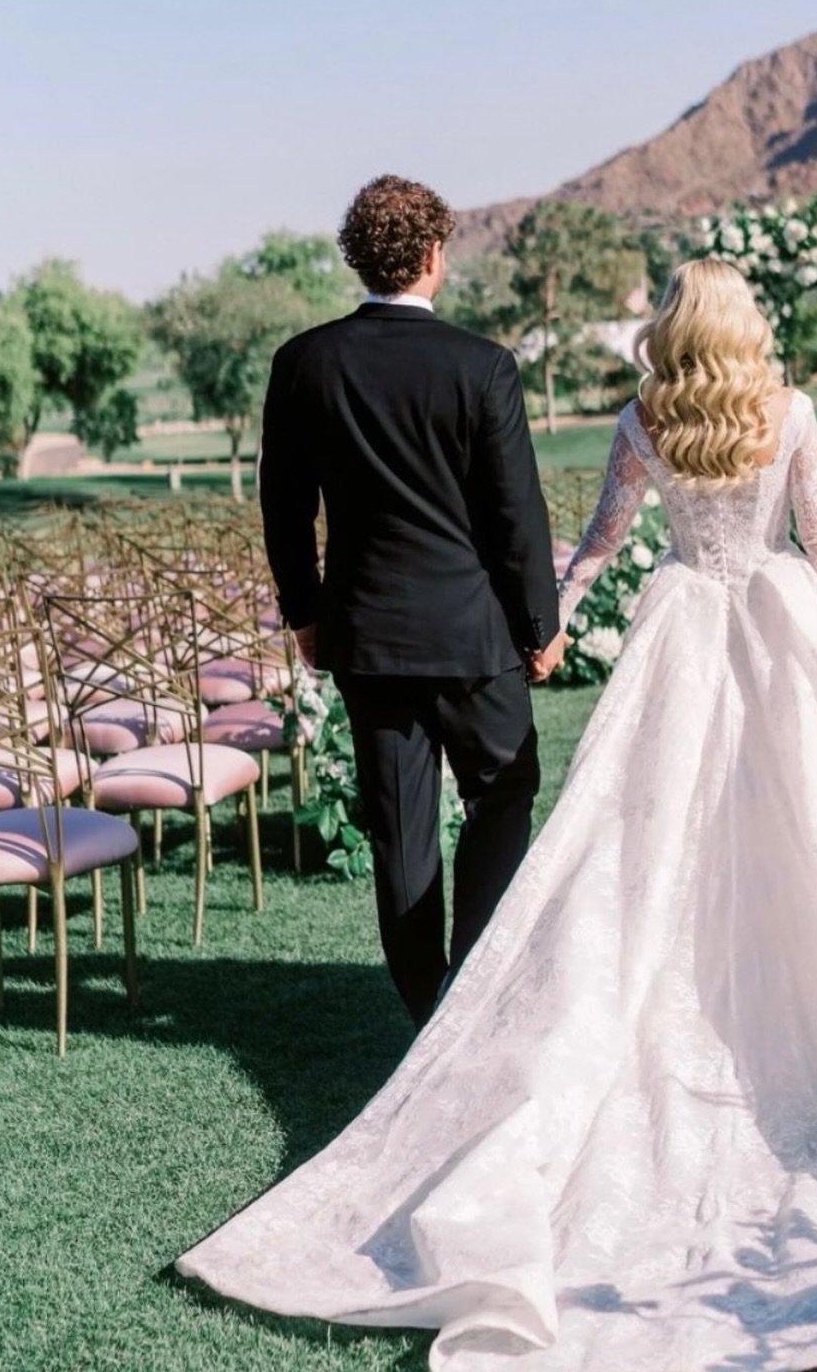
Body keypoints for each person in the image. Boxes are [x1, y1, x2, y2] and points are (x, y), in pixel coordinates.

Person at [180, 256, 817, 1367]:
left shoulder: (645, 416)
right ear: (747, 329)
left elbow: (600, 540)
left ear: (673, 332)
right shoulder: (791, 411)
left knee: (657, 842)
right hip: (785, 629)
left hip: (684, 626)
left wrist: (549, 619)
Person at [257, 175, 566, 1026]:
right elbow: (516, 516)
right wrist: (540, 626)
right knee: (504, 789)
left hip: (368, 639)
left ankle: (426, 1004)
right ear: (434, 257)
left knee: (399, 830)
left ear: (357, 258)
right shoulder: (483, 367)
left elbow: (284, 506)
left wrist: (307, 613)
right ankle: (476, 979)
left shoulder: (304, 363)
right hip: (475, 638)